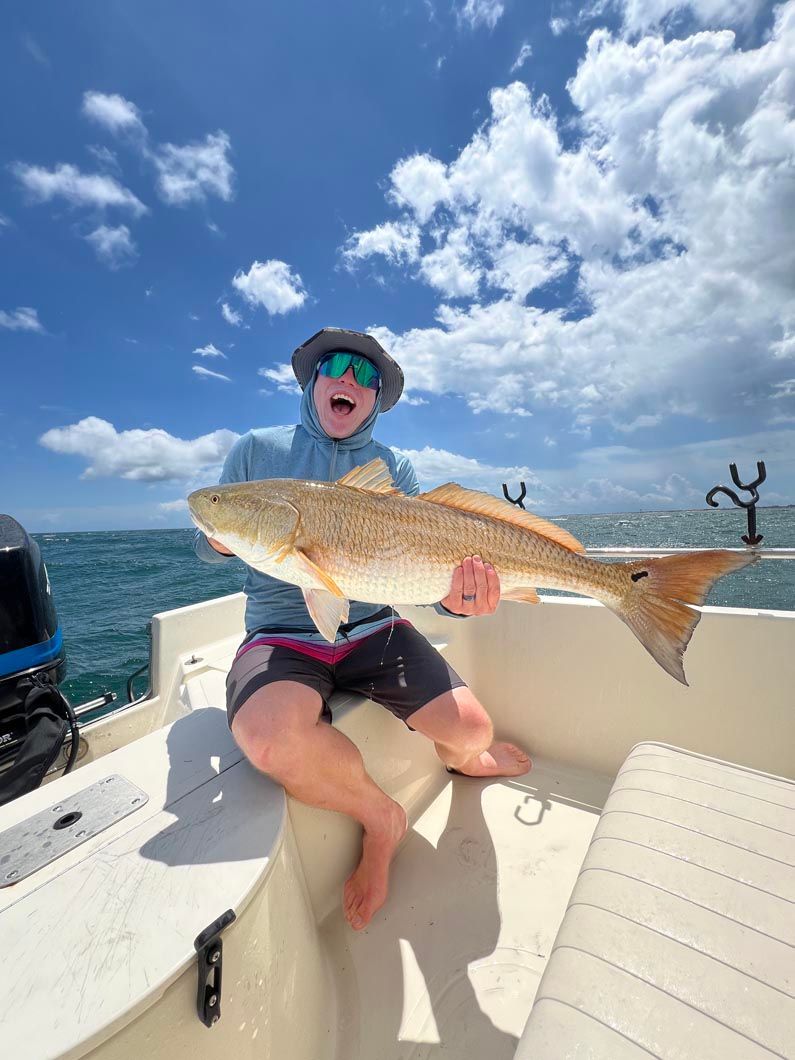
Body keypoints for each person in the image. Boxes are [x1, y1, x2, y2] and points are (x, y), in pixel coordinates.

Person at [193, 326, 531, 930]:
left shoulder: (394, 466)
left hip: (374, 628)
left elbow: (420, 571)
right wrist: (220, 533)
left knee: (473, 732)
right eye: (338, 367)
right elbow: (207, 545)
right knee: (269, 739)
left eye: (367, 376)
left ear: (376, 400)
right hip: (282, 636)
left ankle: (465, 761)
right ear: (314, 381)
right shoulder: (255, 450)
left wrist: (461, 602)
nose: (350, 380)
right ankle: (382, 818)